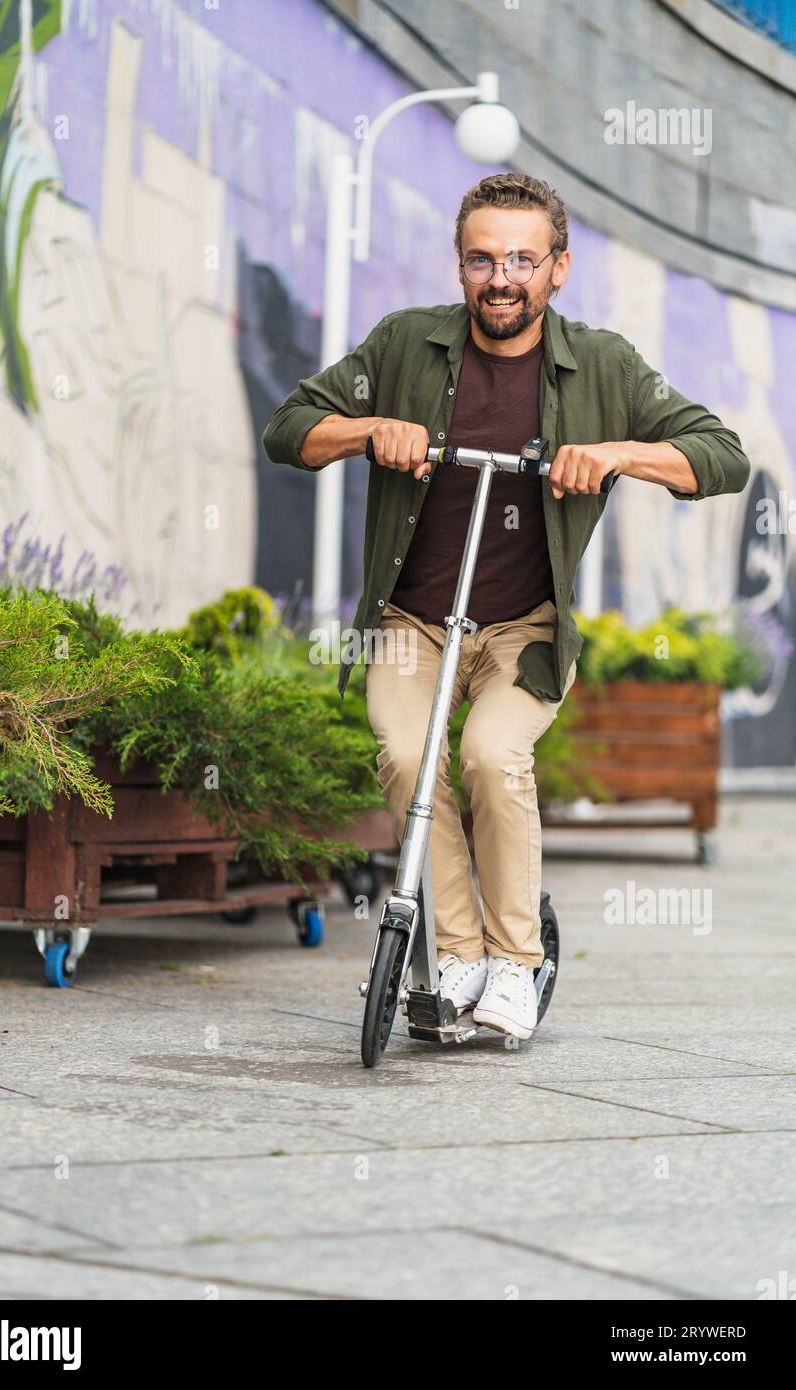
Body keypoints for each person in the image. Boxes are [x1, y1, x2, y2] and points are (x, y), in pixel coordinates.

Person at [262, 172, 750, 1041]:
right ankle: (458, 958)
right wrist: (371, 430)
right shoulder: (407, 345)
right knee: (410, 760)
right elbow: (290, 427)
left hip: (526, 626)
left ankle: (516, 963)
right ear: (459, 268)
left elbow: (720, 456)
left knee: (492, 755)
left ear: (558, 269)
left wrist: (614, 454)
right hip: (411, 620)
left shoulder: (602, 363)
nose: (502, 278)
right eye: (483, 259)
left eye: (523, 259)